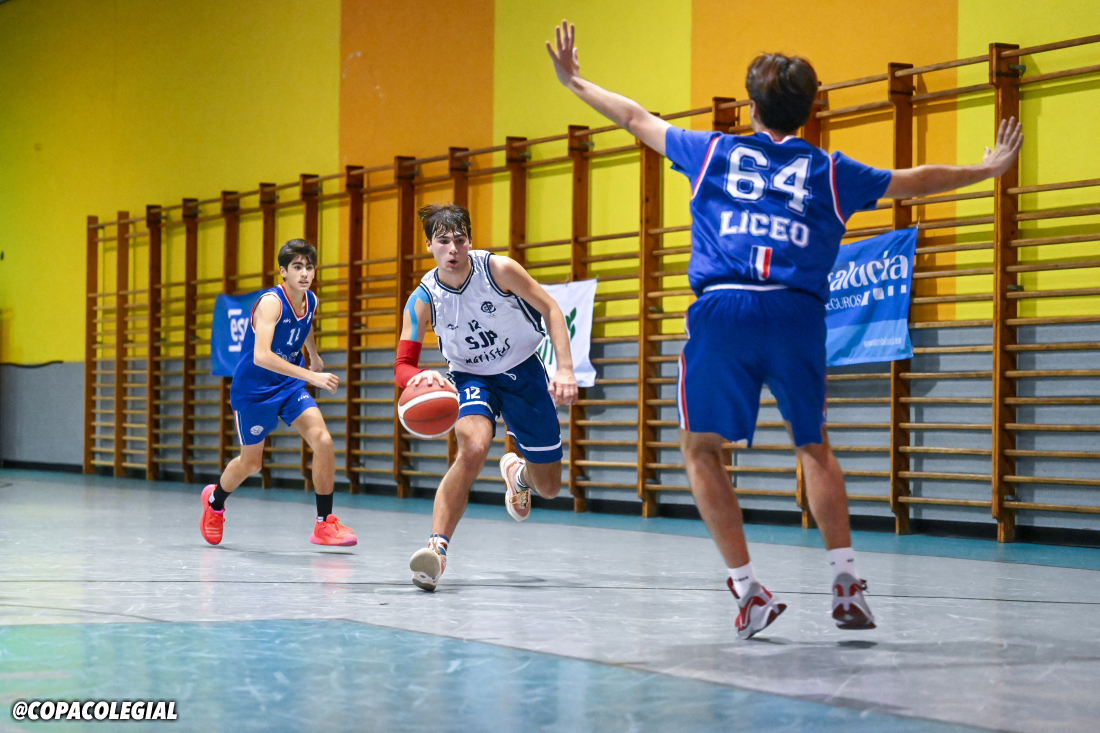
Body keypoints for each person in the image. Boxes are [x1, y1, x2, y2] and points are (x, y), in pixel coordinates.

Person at [548, 20, 1022, 637]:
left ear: (751, 106)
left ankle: (749, 591)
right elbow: (915, 180)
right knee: (813, 445)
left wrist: (575, 81)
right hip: (797, 313)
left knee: (699, 449)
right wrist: (987, 170)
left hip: (725, 307)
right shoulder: (831, 171)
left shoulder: (713, 152)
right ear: (810, 111)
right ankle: (845, 580)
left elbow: (635, 118)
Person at [397, 203, 578, 591]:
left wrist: (565, 368)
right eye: (443, 241)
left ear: (470, 241)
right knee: (474, 447)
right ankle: (436, 550)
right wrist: (420, 375)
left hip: (523, 372)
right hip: (469, 377)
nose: (453, 249)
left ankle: (519, 474)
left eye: (459, 240)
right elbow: (402, 366)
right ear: (428, 245)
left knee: (549, 487)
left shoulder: (499, 270)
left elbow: (551, 309)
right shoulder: (423, 299)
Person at [199, 239, 357, 548]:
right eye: (297, 267)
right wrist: (311, 375)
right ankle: (214, 502)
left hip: (288, 385)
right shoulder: (271, 303)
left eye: (309, 267)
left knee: (323, 441)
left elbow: (305, 325)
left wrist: (313, 354)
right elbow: (262, 356)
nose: (304, 273)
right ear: (283, 271)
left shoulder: (310, 300)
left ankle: (324, 523)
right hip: (254, 391)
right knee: (251, 464)